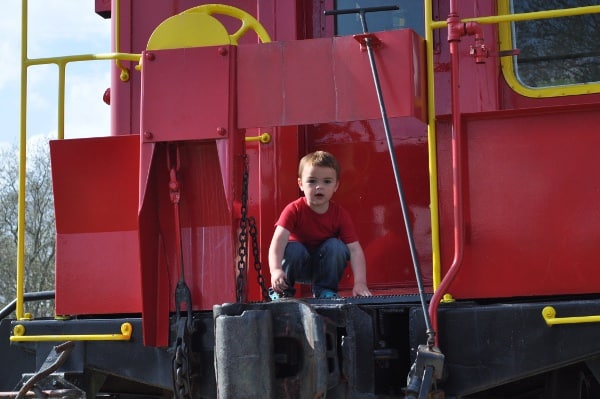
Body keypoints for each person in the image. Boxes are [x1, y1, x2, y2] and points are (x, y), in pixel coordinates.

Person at [268, 150, 372, 299]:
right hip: (297, 265)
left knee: (336, 246)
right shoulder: (294, 209)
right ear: (300, 184)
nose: (319, 187)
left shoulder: (339, 214)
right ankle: (282, 291)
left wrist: (360, 283)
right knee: (294, 248)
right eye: (312, 181)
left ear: (336, 185)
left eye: (327, 181)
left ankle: (325, 291)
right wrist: (276, 270)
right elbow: (277, 242)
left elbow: (355, 250)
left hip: (324, 268)